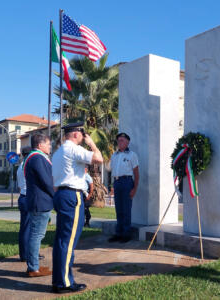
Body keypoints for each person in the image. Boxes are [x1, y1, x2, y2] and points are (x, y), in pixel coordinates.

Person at [51, 122, 103, 293]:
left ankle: (61, 279)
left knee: (62, 240)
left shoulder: (59, 152)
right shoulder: (72, 148)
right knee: (68, 241)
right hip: (72, 195)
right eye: (83, 134)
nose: (84, 137)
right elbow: (99, 159)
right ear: (75, 134)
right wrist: (92, 144)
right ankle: (64, 283)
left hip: (62, 194)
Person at [24, 134, 54, 277]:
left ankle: (33, 266)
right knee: (36, 235)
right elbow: (47, 181)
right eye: (48, 144)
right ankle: (33, 268)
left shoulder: (34, 157)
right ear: (40, 145)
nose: (50, 147)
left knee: (36, 235)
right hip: (39, 202)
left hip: (38, 201)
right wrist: (57, 195)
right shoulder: (37, 158)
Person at [108, 132, 139, 244]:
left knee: (126, 209)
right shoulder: (114, 155)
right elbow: (113, 171)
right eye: (119, 140)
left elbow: (136, 173)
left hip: (127, 182)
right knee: (118, 210)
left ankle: (126, 234)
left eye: (122, 140)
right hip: (117, 183)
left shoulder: (132, 155)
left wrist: (134, 188)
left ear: (127, 142)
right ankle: (118, 233)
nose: (120, 142)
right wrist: (112, 186)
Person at [16, 146, 32, 262]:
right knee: (28, 228)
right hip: (28, 197)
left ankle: (25, 254)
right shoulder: (28, 165)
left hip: (22, 196)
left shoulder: (20, 167)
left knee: (25, 228)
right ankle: (27, 255)